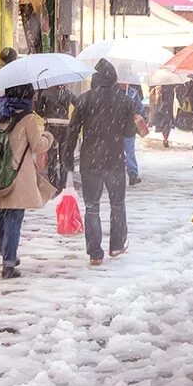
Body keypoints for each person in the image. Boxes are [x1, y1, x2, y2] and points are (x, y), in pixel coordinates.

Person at [0, 84, 55, 279]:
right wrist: (48, 136)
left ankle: (6, 253)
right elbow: (38, 146)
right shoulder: (28, 117)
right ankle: (8, 262)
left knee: (1, 216)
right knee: (14, 218)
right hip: (18, 177)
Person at [63, 60, 138, 266]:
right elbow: (130, 132)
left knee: (92, 206)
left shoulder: (84, 100)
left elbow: (73, 132)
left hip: (91, 159)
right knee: (117, 204)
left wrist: (68, 158)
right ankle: (116, 245)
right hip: (115, 159)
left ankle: (95, 252)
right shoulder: (124, 101)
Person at [34, 84, 75, 191]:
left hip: (51, 127)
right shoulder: (67, 92)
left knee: (51, 157)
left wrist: (46, 115)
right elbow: (78, 103)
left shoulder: (45, 92)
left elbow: (37, 108)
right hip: (65, 127)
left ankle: (53, 184)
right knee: (63, 157)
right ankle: (63, 184)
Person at [123, 83, 146, 186]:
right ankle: (120, 174)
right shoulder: (130, 93)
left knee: (129, 152)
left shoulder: (132, 93)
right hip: (117, 128)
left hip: (128, 127)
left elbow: (140, 108)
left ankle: (132, 174)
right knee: (125, 152)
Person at [151, 83, 178, 148]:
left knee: (164, 123)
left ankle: (165, 138)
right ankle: (166, 138)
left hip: (164, 106)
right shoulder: (171, 85)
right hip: (168, 106)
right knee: (167, 123)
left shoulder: (160, 85)